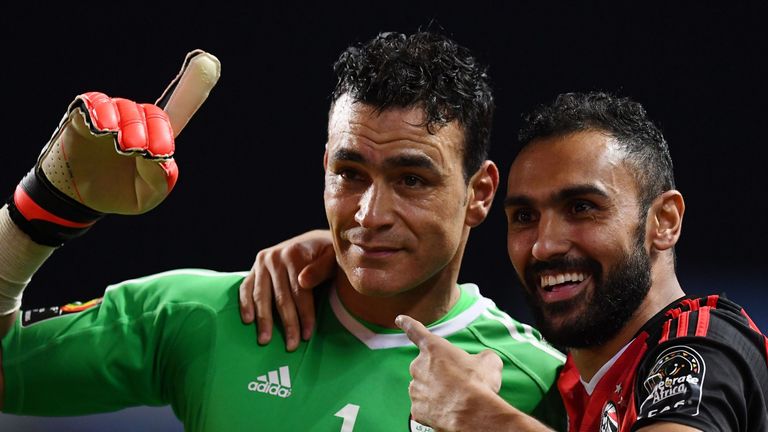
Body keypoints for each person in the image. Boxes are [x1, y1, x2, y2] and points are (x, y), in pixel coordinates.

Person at [0, 32, 567, 431]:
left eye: (412, 179)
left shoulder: (538, 385)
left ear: (481, 194)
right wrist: (43, 210)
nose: (370, 213)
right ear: (324, 168)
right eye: (349, 173)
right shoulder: (207, 316)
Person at [243, 91, 768, 431]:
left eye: (581, 208)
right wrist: (348, 249)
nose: (544, 244)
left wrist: (476, 415)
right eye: (523, 217)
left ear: (665, 221)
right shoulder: (565, 388)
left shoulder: (701, 342)